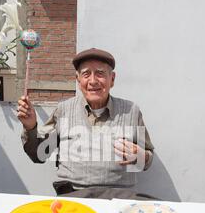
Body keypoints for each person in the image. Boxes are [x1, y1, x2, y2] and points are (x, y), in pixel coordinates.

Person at [17, 48, 157, 200]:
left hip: (119, 196)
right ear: (78, 80)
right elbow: (39, 155)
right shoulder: (63, 110)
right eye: (86, 74)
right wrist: (30, 127)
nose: (93, 81)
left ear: (112, 79)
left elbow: (147, 160)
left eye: (100, 73)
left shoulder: (131, 111)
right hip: (74, 194)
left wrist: (141, 155)